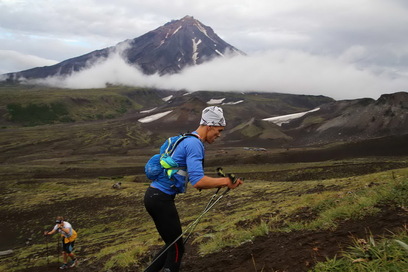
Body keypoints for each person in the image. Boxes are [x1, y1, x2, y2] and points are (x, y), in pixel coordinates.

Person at [144, 106, 243, 272]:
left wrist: (222, 182)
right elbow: (197, 181)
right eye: (219, 130)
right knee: (177, 248)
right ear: (209, 125)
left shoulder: (186, 139)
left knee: (171, 245)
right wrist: (226, 182)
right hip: (160, 199)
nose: (219, 135)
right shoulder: (194, 144)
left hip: (155, 197)